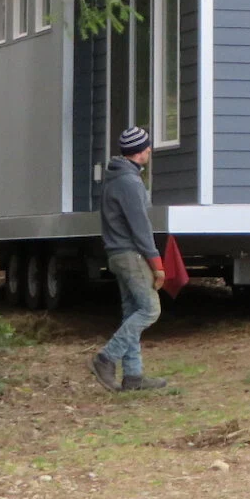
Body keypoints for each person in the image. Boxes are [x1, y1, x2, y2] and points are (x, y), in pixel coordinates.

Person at [91, 126, 169, 392]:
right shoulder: (129, 182)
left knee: (131, 312)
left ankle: (133, 377)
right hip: (131, 255)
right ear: (139, 151)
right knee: (150, 309)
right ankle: (106, 358)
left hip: (116, 254)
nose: (149, 149)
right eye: (146, 146)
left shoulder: (115, 178)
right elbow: (141, 227)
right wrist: (157, 264)